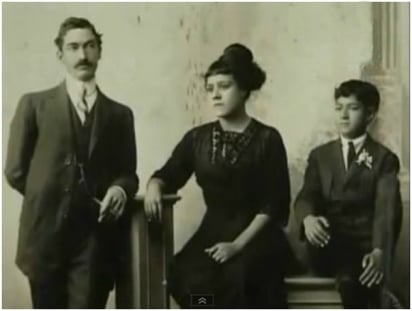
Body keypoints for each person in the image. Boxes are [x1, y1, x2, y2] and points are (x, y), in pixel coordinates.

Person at [4, 17, 138, 308]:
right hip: (43, 237)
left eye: (90, 46)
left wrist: (119, 190)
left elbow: (128, 173)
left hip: (94, 239)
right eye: (73, 47)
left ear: (99, 52)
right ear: (60, 55)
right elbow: (14, 169)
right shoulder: (34, 105)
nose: (82, 55)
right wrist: (50, 196)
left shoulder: (120, 115)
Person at [144, 43, 291, 308]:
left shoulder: (268, 139)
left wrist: (236, 246)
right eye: (210, 89)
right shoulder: (197, 138)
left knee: (239, 277)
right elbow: (169, 174)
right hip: (213, 230)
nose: (215, 95)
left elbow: (274, 203)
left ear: (244, 89)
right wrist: (155, 184)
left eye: (224, 87)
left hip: (257, 235)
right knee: (186, 278)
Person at [294, 79, 402, 308]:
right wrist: (308, 218)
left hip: (366, 247)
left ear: (370, 114)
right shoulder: (320, 155)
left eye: (352, 108)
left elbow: (386, 209)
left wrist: (379, 250)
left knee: (357, 278)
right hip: (327, 245)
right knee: (350, 271)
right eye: (338, 108)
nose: (343, 115)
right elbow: (306, 196)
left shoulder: (384, 159)